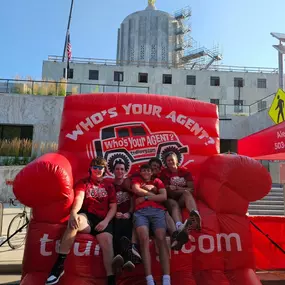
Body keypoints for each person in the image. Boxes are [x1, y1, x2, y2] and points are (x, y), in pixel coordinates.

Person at [46, 157, 117, 285]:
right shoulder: (84, 182)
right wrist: (73, 213)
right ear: (90, 169)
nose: (97, 170)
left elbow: (113, 206)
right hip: (88, 217)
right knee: (75, 222)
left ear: (104, 169)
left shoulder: (109, 185)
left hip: (103, 219)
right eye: (95, 167)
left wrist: (106, 221)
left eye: (100, 168)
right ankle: (59, 266)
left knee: (107, 242)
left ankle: (111, 279)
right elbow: (79, 198)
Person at [132, 164, 171, 285]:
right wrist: (154, 195)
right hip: (140, 213)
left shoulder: (157, 181)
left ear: (151, 172)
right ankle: (149, 279)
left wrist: (146, 198)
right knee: (143, 239)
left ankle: (166, 279)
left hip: (157, 212)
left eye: (148, 170)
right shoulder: (136, 180)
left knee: (161, 239)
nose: (146, 173)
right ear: (140, 172)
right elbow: (136, 189)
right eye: (143, 170)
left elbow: (164, 196)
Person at [160, 152, 201, 246]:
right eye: (168, 160)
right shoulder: (164, 173)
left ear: (177, 160)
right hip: (170, 198)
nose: (170, 162)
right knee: (174, 204)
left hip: (182, 197)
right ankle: (179, 227)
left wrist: (179, 189)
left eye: (172, 160)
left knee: (187, 193)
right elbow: (167, 190)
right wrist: (175, 189)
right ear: (166, 162)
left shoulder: (184, 171)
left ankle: (196, 217)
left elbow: (191, 189)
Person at [148, 157, 189, 250]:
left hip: (161, 204)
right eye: (154, 166)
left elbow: (164, 195)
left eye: (158, 167)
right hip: (146, 207)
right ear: (149, 166)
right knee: (164, 213)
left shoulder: (159, 179)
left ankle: (177, 235)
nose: (156, 168)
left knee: (167, 211)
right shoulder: (143, 176)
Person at [111, 160, 141, 273]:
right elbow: (108, 203)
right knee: (117, 223)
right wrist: (115, 213)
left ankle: (127, 259)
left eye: (122, 169)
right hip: (115, 215)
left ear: (125, 171)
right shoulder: (110, 186)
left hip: (128, 215)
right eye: (117, 169)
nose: (119, 171)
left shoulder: (128, 185)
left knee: (128, 223)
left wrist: (129, 213)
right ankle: (118, 257)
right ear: (113, 171)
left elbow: (133, 202)